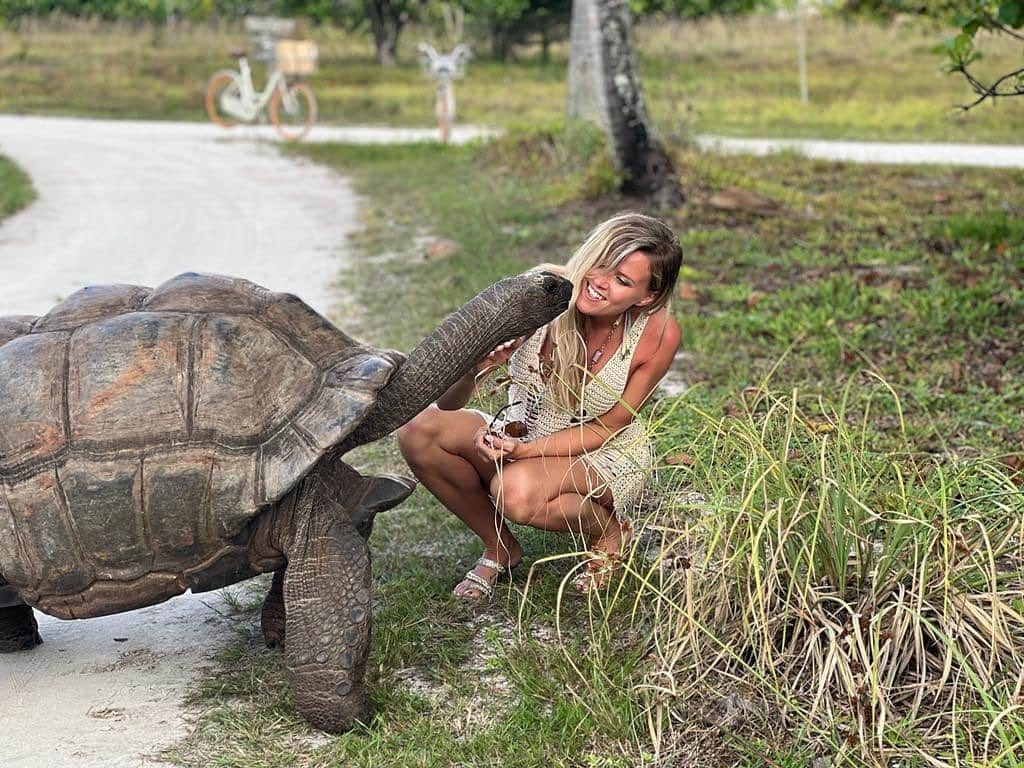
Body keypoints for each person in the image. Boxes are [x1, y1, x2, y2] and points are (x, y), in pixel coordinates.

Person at [397, 212, 682, 598]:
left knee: (514, 493)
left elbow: (608, 426)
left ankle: (610, 531)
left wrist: (525, 451)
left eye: (622, 280)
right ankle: (500, 548)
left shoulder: (657, 332)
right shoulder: (544, 288)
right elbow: (448, 404)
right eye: (601, 263)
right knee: (419, 430)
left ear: (646, 296)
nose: (599, 283)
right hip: (524, 430)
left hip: (602, 454)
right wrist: (478, 367)